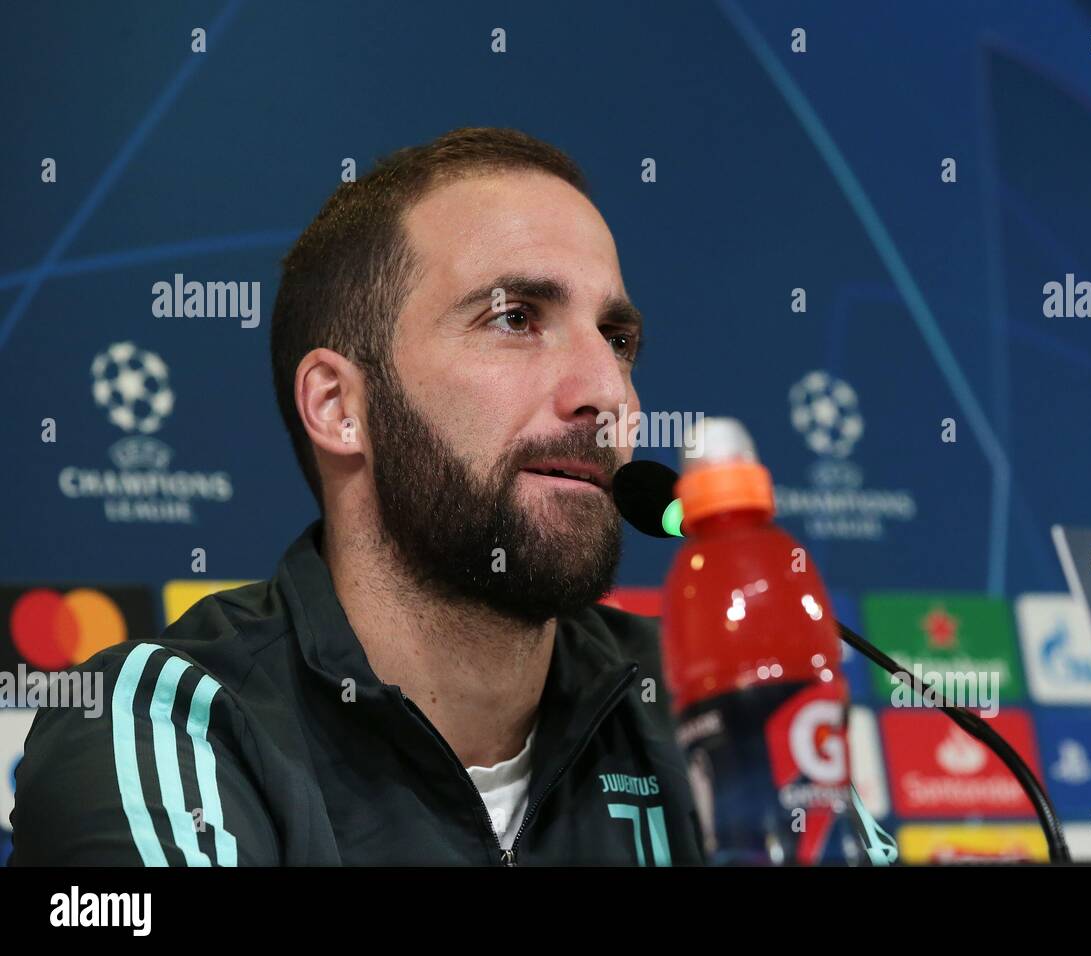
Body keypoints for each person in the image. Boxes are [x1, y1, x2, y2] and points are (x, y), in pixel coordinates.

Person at [12, 127, 702, 866]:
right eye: (515, 318)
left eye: (616, 338)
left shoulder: (701, 707)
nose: (609, 393)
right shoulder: (162, 723)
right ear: (340, 406)